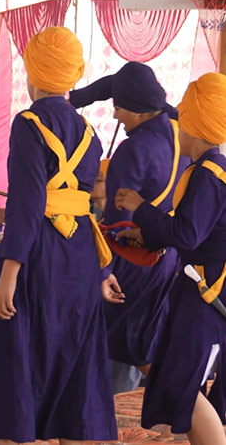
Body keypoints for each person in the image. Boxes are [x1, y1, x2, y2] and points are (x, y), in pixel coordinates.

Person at [0, 27, 117, 443]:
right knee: (74, 361)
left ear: (33, 72)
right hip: (79, 257)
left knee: (19, 356)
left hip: (37, 256)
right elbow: (71, 203)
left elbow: (33, 203)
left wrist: (8, 272)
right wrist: (104, 268)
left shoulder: (29, 122)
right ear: (73, 76)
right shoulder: (91, 134)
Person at [115, 72, 226, 445]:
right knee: (179, 380)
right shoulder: (207, 168)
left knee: (184, 384)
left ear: (194, 122)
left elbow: (187, 234)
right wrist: (145, 234)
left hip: (207, 291)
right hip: (197, 285)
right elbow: (192, 229)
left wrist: (140, 208)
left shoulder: (210, 173)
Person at [70, 61, 189, 394]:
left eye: (119, 109)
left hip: (130, 259)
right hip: (167, 256)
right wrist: (83, 96)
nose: (115, 116)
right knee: (139, 338)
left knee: (118, 338)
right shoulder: (179, 131)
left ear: (136, 109)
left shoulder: (133, 149)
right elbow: (128, 86)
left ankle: (185, 401)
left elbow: (116, 222)